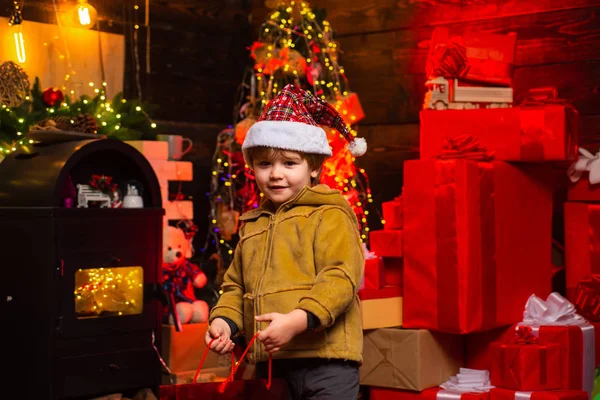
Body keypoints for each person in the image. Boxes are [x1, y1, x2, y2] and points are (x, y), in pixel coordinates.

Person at [205, 84, 367, 399]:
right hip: (272, 365)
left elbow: (341, 278)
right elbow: (235, 287)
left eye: (290, 163)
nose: (276, 174)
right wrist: (223, 322)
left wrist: (296, 321)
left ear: (315, 167)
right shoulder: (253, 224)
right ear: (253, 168)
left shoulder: (329, 215)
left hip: (327, 361)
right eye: (265, 164)